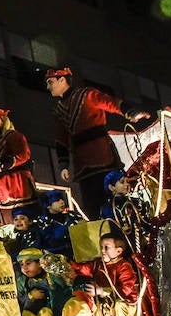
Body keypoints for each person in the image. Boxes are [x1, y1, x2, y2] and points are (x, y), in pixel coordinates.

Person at [44, 67, 149, 216]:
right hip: (82, 165)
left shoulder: (86, 95)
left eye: (50, 82)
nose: (48, 87)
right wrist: (63, 164)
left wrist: (129, 111)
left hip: (102, 156)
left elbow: (109, 102)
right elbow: (61, 139)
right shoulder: (59, 110)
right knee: (92, 206)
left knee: (113, 200)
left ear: (62, 80)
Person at [0, 108, 36, 210]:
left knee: (24, 215)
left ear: (3, 121)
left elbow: (23, 155)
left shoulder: (14, 136)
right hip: (2, 190)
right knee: (6, 218)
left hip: (18, 183)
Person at [15, 248, 65, 316]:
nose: (24, 268)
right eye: (22, 265)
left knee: (44, 313)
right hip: (33, 315)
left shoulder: (51, 277)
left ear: (39, 264)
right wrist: (30, 296)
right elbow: (18, 301)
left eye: (28, 263)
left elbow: (64, 291)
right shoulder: (23, 281)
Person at [36, 191, 83, 258]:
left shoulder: (72, 216)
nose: (62, 202)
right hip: (55, 258)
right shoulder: (43, 222)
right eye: (57, 200)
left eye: (62, 199)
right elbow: (51, 239)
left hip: (79, 254)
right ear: (48, 205)